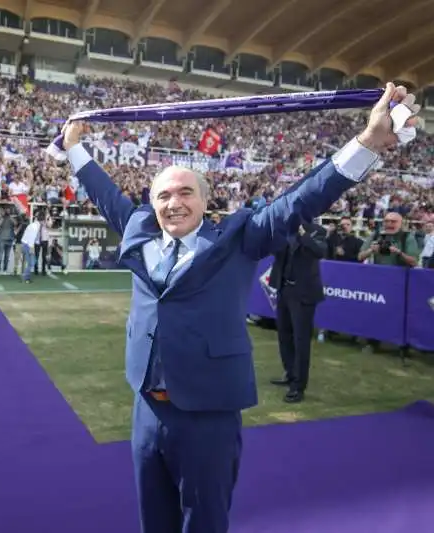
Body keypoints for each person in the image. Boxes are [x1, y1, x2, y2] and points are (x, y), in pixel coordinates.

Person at [58, 82, 418, 533]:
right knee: (154, 518)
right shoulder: (137, 230)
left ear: (206, 202)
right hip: (146, 406)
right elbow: (102, 190)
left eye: (186, 192)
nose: (174, 203)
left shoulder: (238, 238)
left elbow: (301, 200)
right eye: (164, 195)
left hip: (208, 411)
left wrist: (367, 142)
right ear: (151, 204)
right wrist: (73, 147)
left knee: (204, 519)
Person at [268, 221, 328, 403]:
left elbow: (320, 252)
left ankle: (298, 386)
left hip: (304, 294)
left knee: (301, 340)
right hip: (284, 289)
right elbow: (275, 252)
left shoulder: (317, 231)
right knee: (284, 336)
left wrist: (303, 234)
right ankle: (289, 373)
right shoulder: (285, 230)